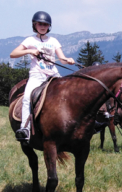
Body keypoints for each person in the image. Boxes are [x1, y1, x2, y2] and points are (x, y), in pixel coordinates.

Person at [10, 11, 75, 141]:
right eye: (40, 24)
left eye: (45, 24)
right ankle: (25, 129)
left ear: (49, 26)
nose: (43, 26)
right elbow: (13, 53)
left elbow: (61, 59)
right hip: (37, 75)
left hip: (54, 75)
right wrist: (30, 50)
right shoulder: (30, 40)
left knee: (71, 94)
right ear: (34, 25)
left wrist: (68, 59)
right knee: (27, 98)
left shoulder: (54, 41)